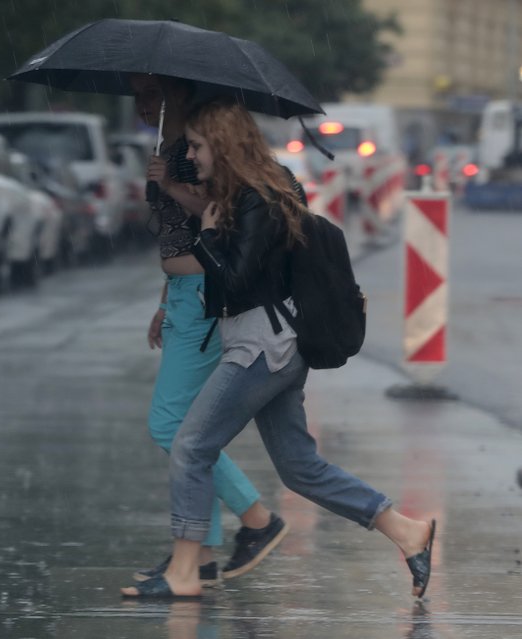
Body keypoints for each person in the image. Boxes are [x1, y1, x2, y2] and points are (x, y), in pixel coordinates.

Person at [122, 98, 435, 599]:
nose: (193, 155)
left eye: (199, 147)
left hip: (262, 350)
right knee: (299, 468)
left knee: (190, 445)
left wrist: (204, 238)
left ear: (221, 146)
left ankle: (186, 569)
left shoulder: (256, 200)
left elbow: (238, 282)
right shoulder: (248, 195)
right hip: (274, 348)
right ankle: (405, 530)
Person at [128, 74, 287, 586]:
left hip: (201, 296)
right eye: (135, 93)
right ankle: (198, 556)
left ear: (174, 94)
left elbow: (222, 219)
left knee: (170, 426)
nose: (139, 103)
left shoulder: (194, 152)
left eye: (149, 93)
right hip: (182, 296)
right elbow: (178, 237)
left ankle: (257, 518)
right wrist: (162, 300)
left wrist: (171, 183)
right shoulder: (173, 147)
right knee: (190, 430)